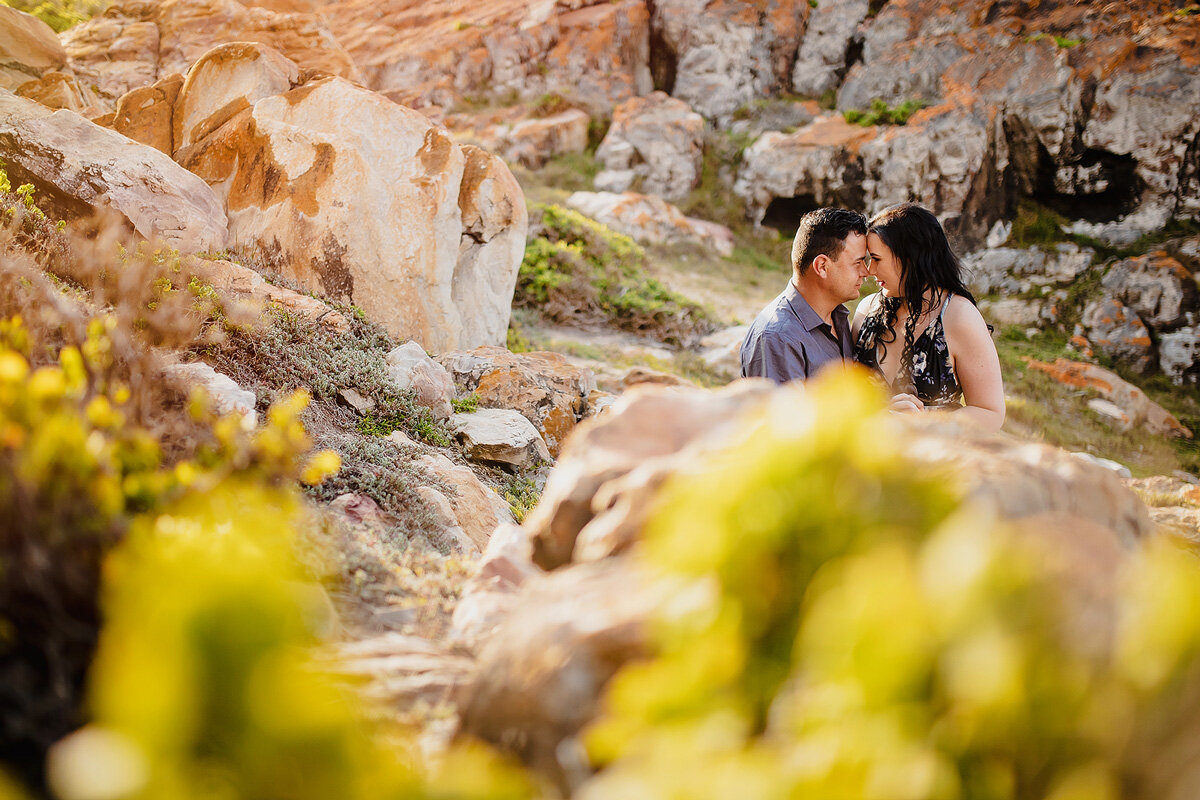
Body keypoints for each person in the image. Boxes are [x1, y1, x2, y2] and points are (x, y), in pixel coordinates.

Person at [852, 203, 1005, 431]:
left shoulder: (959, 317)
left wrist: (922, 423)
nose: (870, 270)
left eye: (876, 259)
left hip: (933, 461)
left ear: (909, 258)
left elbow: (990, 413)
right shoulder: (867, 311)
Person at [740, 207, 869, 383]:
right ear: (822, 266)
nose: (866, 271)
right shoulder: (778, 338)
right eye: (858, 262)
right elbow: (785, 411)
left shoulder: (838, 317)